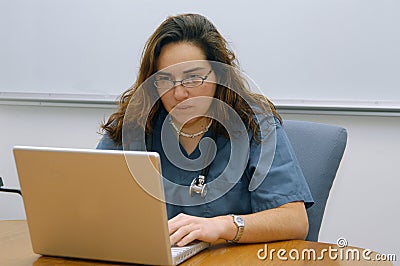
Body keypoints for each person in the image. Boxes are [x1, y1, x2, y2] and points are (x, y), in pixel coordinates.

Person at [97, 13, 313, 247]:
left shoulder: (255, 125)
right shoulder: (134, 124)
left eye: (193, 79)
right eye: (165, 80)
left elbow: (295, 221)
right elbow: (87, 198)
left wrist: (222, 226)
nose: (179, 94)